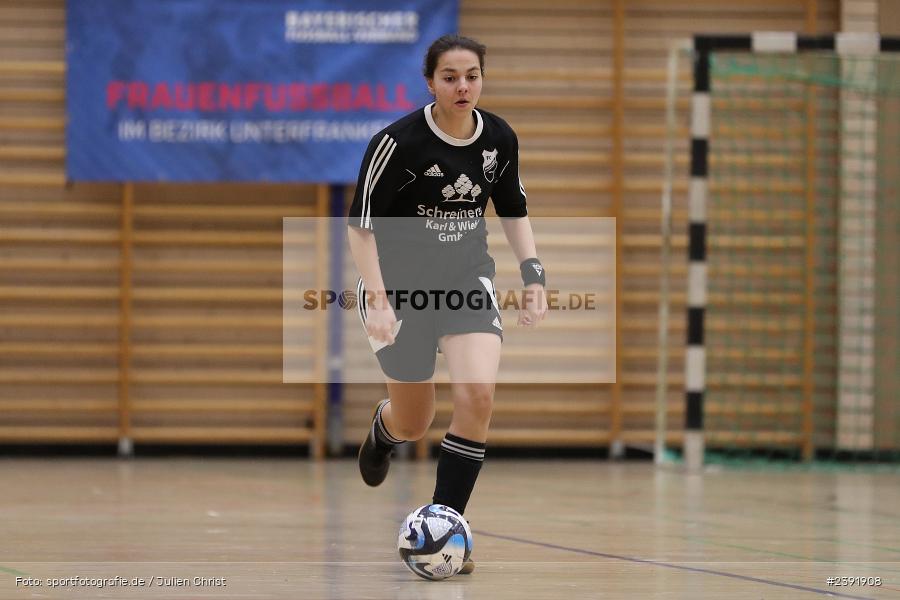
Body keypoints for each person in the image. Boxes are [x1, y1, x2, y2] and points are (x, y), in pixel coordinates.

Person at [347, 34, 547, 574]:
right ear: (430, 82)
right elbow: (361, 230)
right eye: (451, 77)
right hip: (401, 290)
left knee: (478, 396)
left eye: (472, 76)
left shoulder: (498, 139)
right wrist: (382, 302)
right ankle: (384, 430)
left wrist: (533, 273)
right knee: (416, 422)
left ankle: (445, 532)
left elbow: (513, 209)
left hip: (465, 280)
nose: (463, 87)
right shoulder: (397, 143)